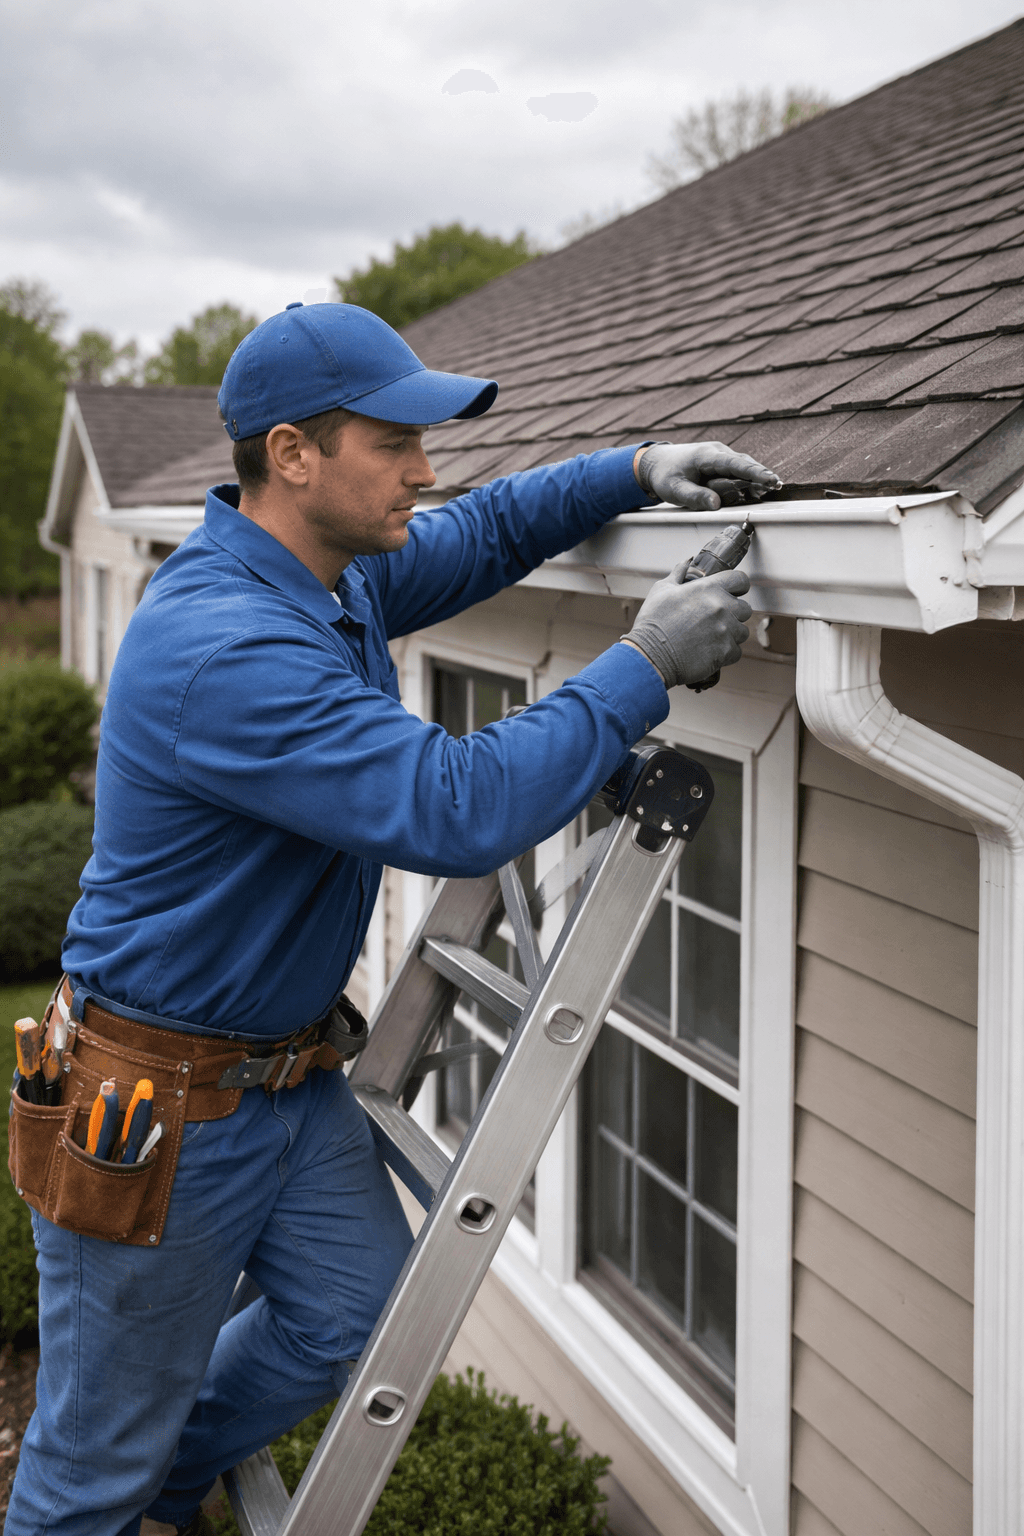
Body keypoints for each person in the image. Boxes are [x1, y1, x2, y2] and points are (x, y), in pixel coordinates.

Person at [6, 300, 777, 1536]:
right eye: (393, 443)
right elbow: (453, 805)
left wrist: (633, 470)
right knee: (84, 1463)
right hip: (155, 1114)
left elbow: (478, 531)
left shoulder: (333, 574)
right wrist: (640, 661)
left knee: (355, 1316)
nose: (424, 471)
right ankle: (126, 1488)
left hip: (283, 1078)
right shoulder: (227, 645)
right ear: (293, 455)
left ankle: (164, 1488)